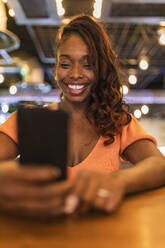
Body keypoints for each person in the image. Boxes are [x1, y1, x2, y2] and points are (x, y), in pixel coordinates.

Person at [0, 14, 165, 218]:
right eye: (66, 64)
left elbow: (159, 165)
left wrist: (117, 182)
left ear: (101, 69)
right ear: (56, 67)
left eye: (88, 65)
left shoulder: (118, 122)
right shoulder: (30, 121)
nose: (75, 74)